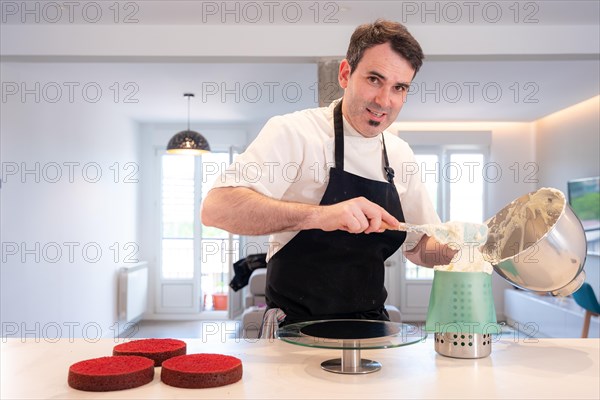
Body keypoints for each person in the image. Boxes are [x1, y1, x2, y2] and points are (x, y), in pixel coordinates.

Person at [201, 19, 456, 333]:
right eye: (375, 79)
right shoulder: (295, 132)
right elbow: (217, 208)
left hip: (372, 329)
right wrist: (320, 216)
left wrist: (467, 246)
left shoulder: (400, 154)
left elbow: (419, 248)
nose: (384, 101)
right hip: (294, 329)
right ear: (345, 74)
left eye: (399, 88)